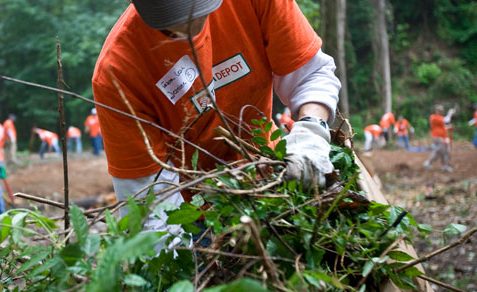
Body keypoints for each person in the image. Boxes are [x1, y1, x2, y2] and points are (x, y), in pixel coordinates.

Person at [92, 0, 340, 242]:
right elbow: (151, 214)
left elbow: (310, 75)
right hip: (194, 215)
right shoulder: (118, 73)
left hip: (272, 181)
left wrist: (310, 133)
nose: (189, 21)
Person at [424, 105, 455, 172]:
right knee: (440, 150)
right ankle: (430, 162)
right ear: (436, 111)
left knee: (445, 151)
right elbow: (446, 120)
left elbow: (442, 126)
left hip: (443, 137)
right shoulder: (433, 117)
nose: (441, 112)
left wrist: (448, 127)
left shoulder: (440, 118)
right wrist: (450, 113)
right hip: (437, 137)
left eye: (442, 110)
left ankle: (443, 166)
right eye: (440, 110)